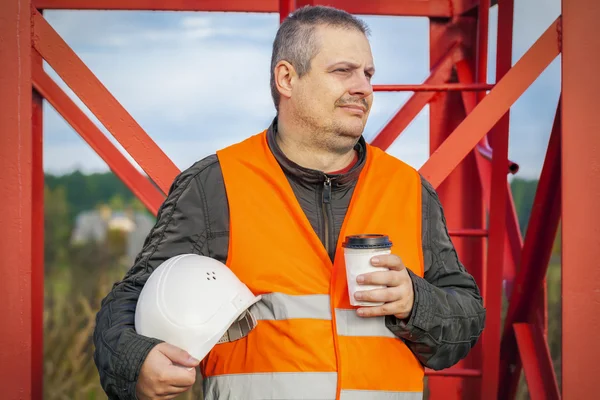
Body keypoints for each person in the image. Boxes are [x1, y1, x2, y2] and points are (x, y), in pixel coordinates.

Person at [93, 5, 485, 400]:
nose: (364, 88)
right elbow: (131, 301)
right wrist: (137, 363)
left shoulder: (409, 188)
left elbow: (467, 318)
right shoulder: (216, 185)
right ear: (287, 78)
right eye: (343, 71)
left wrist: (415, 302)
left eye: (368, 74)